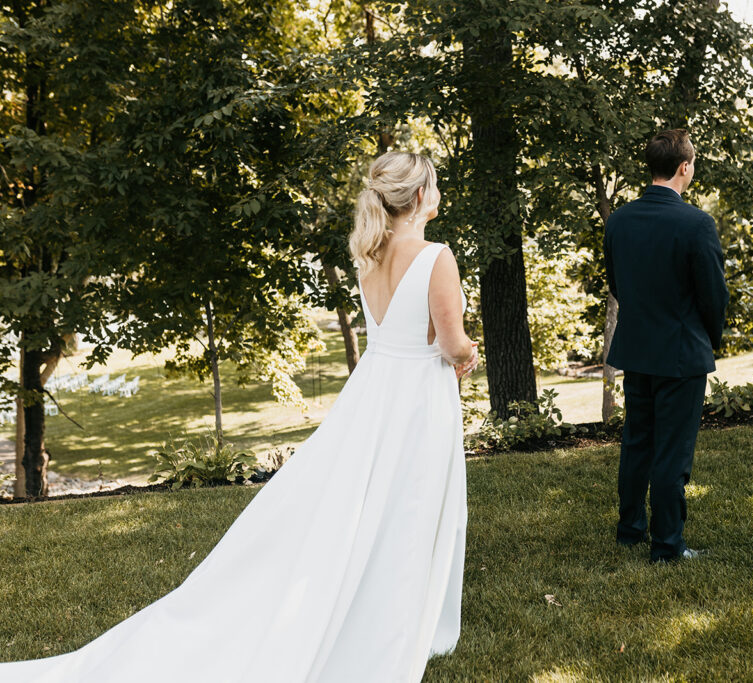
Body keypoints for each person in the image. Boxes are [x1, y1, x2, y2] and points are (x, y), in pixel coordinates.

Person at [0, 150, 479, 682]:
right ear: (418, 196)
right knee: (410, 504)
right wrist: (469, 352)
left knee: (364, 503)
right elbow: (450, 344)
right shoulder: (437, 256)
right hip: (414, 398)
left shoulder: (369, 256)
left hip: (374, 392)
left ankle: (362, 606)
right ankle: (390, 625)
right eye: (434, 185)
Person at [603, 129, 729, 564]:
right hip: (680, 353)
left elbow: (617, 285)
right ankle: (667, 545)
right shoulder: (697, 223)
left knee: (638, 442)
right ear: (684, 168)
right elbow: (713, 295)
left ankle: (629, 530)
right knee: (672, 453)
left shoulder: (618, 220)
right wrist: (709, 340)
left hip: (636, 349)